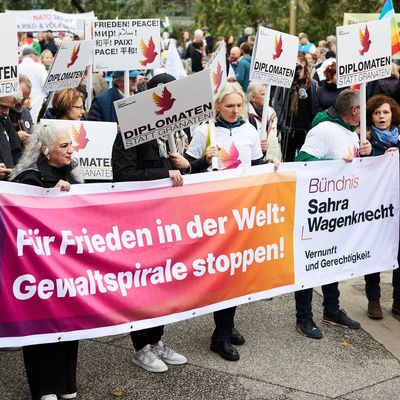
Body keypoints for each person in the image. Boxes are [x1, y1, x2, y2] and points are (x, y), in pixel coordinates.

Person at [174, 82, 273, 362]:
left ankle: (227, 324)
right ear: (217, 106)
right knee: (225, 273)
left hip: (242, 209)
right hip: (215, 210)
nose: (234, 110)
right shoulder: (205, 130)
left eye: (238, 105)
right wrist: (205, 161)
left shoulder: (250, 130)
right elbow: (189, 170)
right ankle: (221, 335)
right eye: (228, 105)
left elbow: (256, 166)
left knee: (239, 272)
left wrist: (272, 162)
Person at [112, 73, 187, 373]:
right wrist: (164, 174)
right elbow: (122, 176)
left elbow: (181, 175)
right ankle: (140, 346)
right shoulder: (128, 133)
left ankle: (156, 340)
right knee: (144, 283)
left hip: (165, 218)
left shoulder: (173, 133)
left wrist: (185, 165)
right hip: (139, 220)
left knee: (163, 281)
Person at [10, 123, 82, 400]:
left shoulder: (73, 173)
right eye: (63, 146)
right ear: (45, 151)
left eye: (70, 145)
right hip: (38, 269)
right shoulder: (30, 178)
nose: (70, 150)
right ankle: (45, 388)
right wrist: (49, 193)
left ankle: (66, 384)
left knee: (68, 323)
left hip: (65, 265)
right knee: (42, 325)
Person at [294, 89, 372, 339]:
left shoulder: (350, 131)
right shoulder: (324, 130)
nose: (365, 113)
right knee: (310, 263)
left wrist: (366, 153)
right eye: (363, 108)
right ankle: (303, 317)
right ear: (354, 110)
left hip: (339, 213)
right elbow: (302, 162)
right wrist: (336, 166)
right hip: (317, 214)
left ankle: (331, 310)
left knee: (333, 261)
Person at [364, 95, 400, 320]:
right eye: (377, 113)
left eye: (385, 112)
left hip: (397, 206)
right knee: (374, 251)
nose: (381, 117)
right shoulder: (365, 141)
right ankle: (373, 299)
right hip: (375, 207)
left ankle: (398, 299)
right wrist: (365, 155)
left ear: (393, 115)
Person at [273, 62, 318, 161]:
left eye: (299, 67)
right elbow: (276, 102)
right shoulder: (285, 82)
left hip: (305, 127)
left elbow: (315, 105)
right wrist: (281, 121)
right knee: (287, 157)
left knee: (303, 158)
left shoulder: (312, 83)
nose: (297, 70)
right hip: (288, 127)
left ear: (305, 68)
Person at [247, 82, 282, 161]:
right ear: (253, 97)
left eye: (268, 93)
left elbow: (275, 137)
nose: (268, 97)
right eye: (263, 94)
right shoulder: (246, 114)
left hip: (273, 159)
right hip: (256, 161)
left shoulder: (271, 112)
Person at [0, 96, 22, 180]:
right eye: (2, 106)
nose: (6, 112)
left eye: (9, 108)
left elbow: (17, 153)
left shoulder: (5, 119)